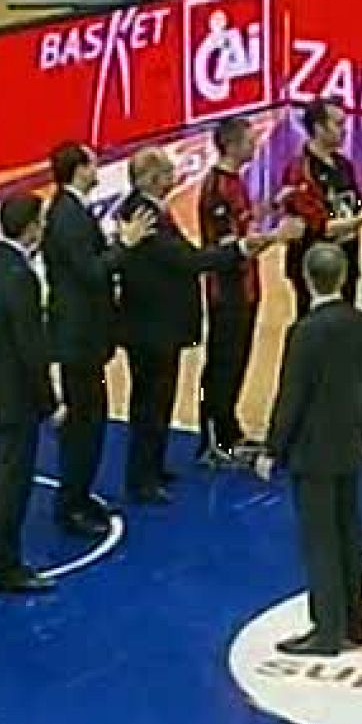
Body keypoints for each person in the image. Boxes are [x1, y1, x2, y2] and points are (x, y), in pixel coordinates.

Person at [116, 148, 292, 504]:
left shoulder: (148, 208)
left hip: (158, 323)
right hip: (152, 326)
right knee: (151, 401)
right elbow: (188, 261)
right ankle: (142, 479)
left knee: (158, 400)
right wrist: (242, 248)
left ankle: (152, 466)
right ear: (152, 179)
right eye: (168, 172)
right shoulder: (142, 214)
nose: (175, 177)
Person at [0, 194, 116, 592]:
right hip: (14, 396)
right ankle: (6, 564)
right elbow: (30, 348)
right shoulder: (22, 277)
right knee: (12, 481)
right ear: (32, 226)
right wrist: (50, 404)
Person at [257, 243, 362, 657]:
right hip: (350, 440)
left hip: (314, 448)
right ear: (343, 275)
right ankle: (355, 622)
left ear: (308, 278)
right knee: (350, 532)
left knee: (321, 542)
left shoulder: (306, 331)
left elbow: (292, 396)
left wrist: (272, 449)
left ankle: (327, 631)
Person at [41, 143, 124, 538]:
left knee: (91, 419)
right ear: (78, 170)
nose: (98, 167)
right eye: (92, 162)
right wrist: (125, 245)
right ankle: (70, 504)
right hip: (78, 338)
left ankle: (79, 493)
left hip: (86, 335)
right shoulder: (68, 216)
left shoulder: (71, 210)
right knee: (83, 424)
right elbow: (91, 272)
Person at [198, 116, 268, 463]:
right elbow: (229, 248)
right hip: (227, 292)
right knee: (222, 363)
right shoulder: (216, 189)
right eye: (250, 139)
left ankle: (229, 430)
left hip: (247, 288)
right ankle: (213, 439)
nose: (255, 144)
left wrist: (269, 210)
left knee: (237, 361)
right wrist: (274, 237)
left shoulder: (236, 183)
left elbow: (242, 227)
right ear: (233, 144)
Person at [278, 100, 362, 318]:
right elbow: (322, 227)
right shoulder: (301, 171)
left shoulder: (343, 165)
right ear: (319, 128)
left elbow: (355, 206)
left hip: (346, 260)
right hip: (315, 269)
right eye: (338, 124)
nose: (345, 130)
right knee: (313, 324)